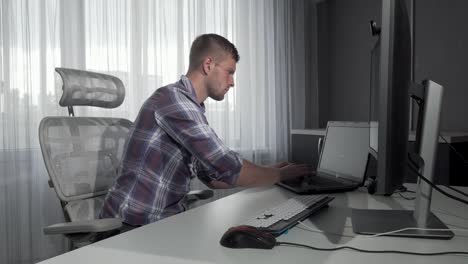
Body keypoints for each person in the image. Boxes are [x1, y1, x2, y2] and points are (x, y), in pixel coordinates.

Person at [100, 33, 311, 227]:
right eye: (229, 72)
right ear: (208, 64)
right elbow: (227, 165)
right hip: (131, 226)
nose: (232, 82)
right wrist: (278, 175)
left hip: (160, 223)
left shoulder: (191, 108)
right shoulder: (173, 102)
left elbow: (213, 177)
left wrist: (274, 170)